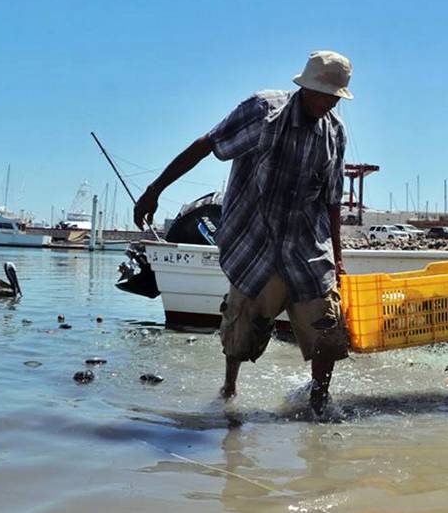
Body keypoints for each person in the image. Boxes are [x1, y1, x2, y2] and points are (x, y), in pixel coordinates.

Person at [133, 50, 353, 414]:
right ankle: (229, 391)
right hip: (257, 241)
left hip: (306, 245)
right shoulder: (264, 111)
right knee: (240, 334)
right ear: (305, 86)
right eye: (323, 94)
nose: (328, 102)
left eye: (335, 97)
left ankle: (319, 400)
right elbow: (207, 145)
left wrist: (339, 258)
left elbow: (332, 198)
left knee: (327, 329)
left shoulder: (334, 132)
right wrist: (155, 189)